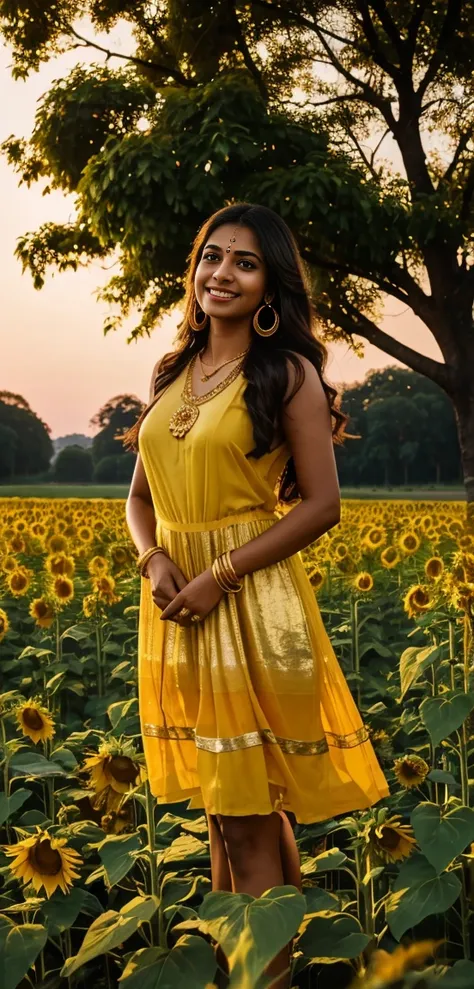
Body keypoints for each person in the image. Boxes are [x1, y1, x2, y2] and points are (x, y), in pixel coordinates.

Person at [123, 202, 390, 989]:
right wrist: (154, 562)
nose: (222, 274)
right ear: (194, 271)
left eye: (244, 262)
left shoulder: (287, 373)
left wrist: (220, 574)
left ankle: (265, 977)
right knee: (224, 809)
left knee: (246, 818)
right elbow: (138, 496)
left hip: (248, 604)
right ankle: (247, 969)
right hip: (177, 605)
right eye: (212, 256)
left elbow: (321, 505)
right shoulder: (171, 370)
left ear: (271, 283)